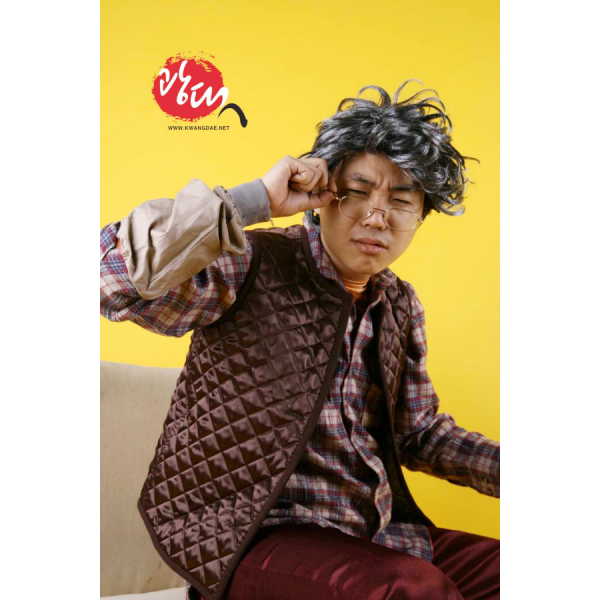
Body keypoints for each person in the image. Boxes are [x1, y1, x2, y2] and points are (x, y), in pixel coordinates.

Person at [100, 81, 500, 600]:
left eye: (401, 200)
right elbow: (110, 280)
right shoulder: (250, 265)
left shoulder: (398, 303)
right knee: (408, 589)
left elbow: (419, 433)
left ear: (420, 217)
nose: (376, 216)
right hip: (250, 537)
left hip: (372, 535)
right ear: (323, 196)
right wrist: (254, 199)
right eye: (357, 193)